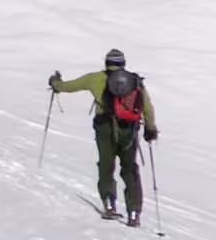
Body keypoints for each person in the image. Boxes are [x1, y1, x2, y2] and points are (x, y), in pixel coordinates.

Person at [48, 48, 159, 221]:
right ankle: (134, 213)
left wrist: (55, 83)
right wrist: (150, 129)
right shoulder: (135, 81)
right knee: (130, 169)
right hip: (129, 130)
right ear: (123, 64)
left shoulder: (95, 78)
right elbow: (147, 107)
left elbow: (68, 86)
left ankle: (109, 204)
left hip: (104, 127)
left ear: (107, 63)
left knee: (106, 165)